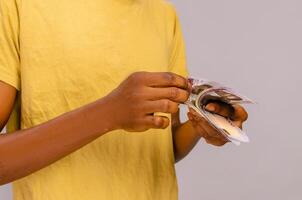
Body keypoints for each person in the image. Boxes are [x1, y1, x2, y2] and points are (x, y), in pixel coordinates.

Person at [0, 0, 248, 199]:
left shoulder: (164, 15)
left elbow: (162, 148)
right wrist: (108, 114)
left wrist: (201, 125)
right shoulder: (18, 6)